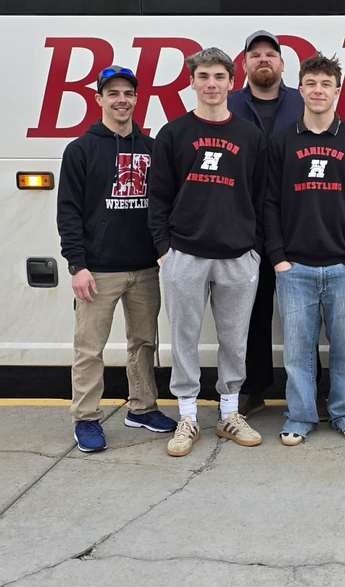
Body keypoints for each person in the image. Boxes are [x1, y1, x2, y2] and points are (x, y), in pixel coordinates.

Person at [149, 47, 266, 457]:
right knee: (184, 338)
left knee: (235, 339)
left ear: (232, 82)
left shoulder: (250, 136)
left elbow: (261, 196)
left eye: (219, 76)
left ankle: (230, 413)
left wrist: (254, 250)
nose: (211, 84)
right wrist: (164, 250)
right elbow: (158, 197)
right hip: (184, 254)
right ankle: (187, 416)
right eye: (203, 76)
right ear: (192, 82)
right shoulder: (174, 133)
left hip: (237, 255)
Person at [57, 65, 176, 453]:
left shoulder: (152, 148)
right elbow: (68, 212)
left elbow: (165, 204)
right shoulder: (80, 150)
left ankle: (142, 408)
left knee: (143, 343)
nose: (121, 100)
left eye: (128, 93)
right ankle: (86, 418)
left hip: (144, 267)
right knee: (89, 348)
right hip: (98, 270)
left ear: (136, 99)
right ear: (99, 99)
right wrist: (77, 265)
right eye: (113, 93)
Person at [264, 53, 345, 446]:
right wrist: (278, 258)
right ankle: (299, 416)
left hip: (344, 268)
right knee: (297, 352)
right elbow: (269, 203)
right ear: (300, 89)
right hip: (294, 268)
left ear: (337, 91)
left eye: (325, 84)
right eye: (311, 83)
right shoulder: (281, 142)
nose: (318, 90)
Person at [226, 30, 327, 419]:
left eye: (271, 54)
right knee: (250, 313)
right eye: (255, 54)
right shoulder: (230, 105)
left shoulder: (302, 102)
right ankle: (252, 389)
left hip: (294, 226)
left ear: (283, 64)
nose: (263, 59)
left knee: (303, 315)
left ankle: (310, 389)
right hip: (246, 226)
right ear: (244, 65)